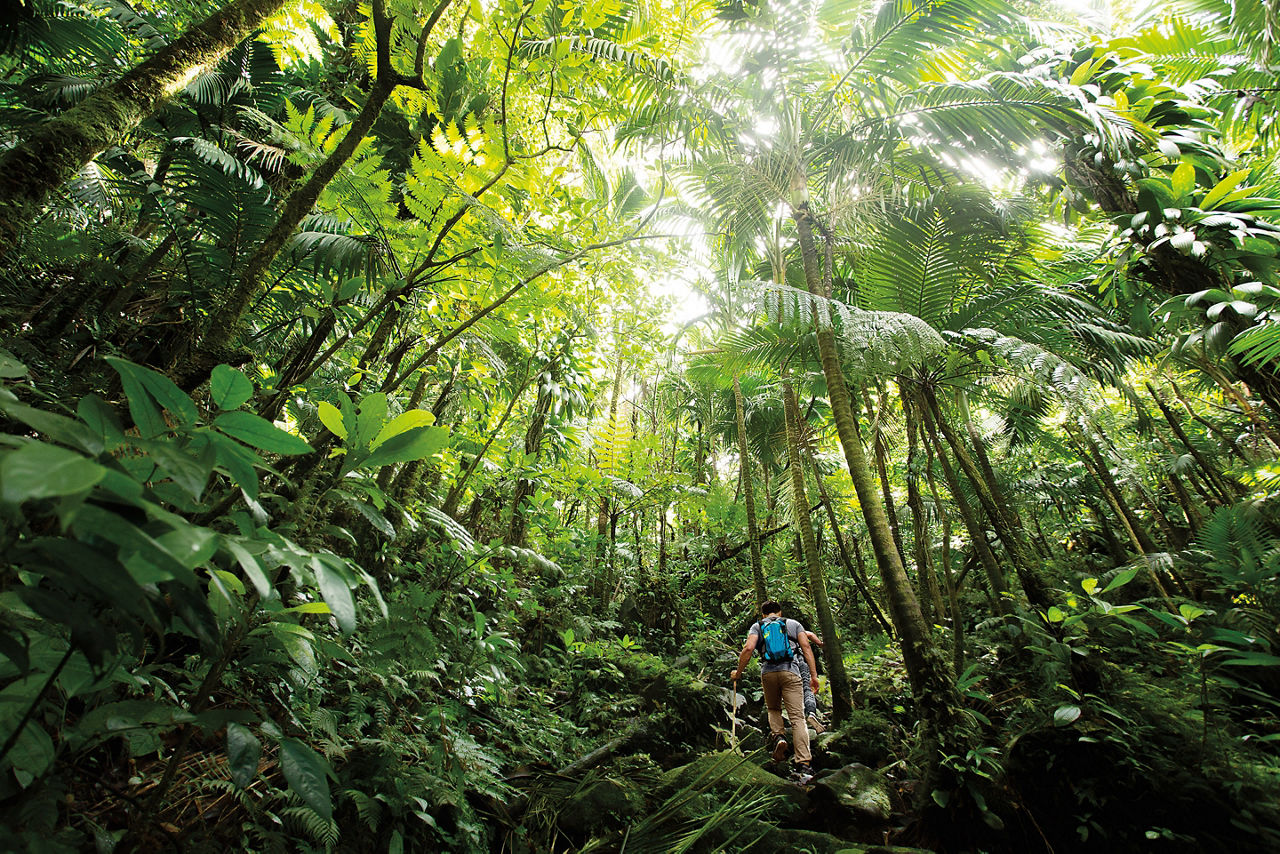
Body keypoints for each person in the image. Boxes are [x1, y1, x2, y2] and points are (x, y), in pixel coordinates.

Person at [730, 601, 819, 780]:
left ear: (763, 614)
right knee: (797, 718)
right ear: (779, 612)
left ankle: (779, 738)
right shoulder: (793, 624)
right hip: (791, 672)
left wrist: (738, 673)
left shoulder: (758, 626)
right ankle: (804, 763)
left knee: (773, 709)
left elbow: (748, 648)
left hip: (768, 673)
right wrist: (814, 675)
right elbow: (807, 647)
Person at [796, 630, 826, 734]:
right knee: (807, 688)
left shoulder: (772, 634)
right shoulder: (794, 629)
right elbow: (810, 635)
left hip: (782, 667)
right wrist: (821, 644)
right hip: (799, 662)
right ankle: (811, 712)